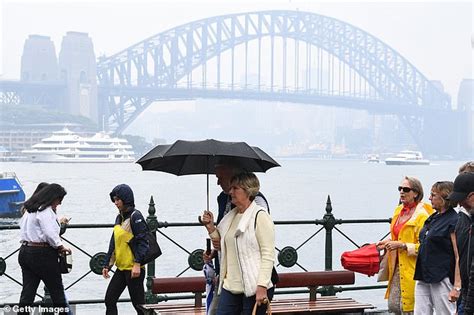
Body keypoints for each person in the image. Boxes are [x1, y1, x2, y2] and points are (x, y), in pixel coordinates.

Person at [201, 172, 275, 315]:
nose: (231, 192)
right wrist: (210, 226)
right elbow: (221, 241)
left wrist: (262, 286)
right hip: (230, 286)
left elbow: (268, 254)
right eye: (231, 188)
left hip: (253, 287)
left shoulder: (260, 216)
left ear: (247, 191)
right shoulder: (231, 215)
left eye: (235, 188)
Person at [377, 176, 433, 314]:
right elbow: (398, 235)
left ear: (416, 193)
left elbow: (426, 247)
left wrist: (402, 245)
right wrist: (387, 242)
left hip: (413, 268)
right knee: (394, 305)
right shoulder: (398, 211)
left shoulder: (422, 216)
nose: (401, 192)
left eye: (406, 189)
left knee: (410, 308)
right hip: (396, 266)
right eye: (400, 188)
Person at [18, 183, 70, 315]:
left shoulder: (30, 210)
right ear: (53, 197)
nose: (59, 203)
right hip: (42, 254)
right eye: (59, 200)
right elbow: (49, 233)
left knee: (27, 294)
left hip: (25, 251)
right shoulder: (44, 210)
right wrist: (60, 246)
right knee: (57, 291)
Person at [413, 181, 460, 314]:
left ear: (444, 198)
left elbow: (458, 255)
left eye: (433, 195)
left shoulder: (453, 220)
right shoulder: (433, 218)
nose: (429, 198)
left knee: (444, 312)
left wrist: (457, 286)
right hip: (423, 273)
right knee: (420, 311)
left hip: (441, 276)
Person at [102, 184, 148, 315]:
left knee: (139, 306)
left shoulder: (135, 216)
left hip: (134, 269)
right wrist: (107, 264)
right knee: (109, 300)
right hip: (121, 269)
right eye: (114, 200)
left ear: (126, 199)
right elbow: (114, 242)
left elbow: (143, 242)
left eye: (118, 199)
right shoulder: (119, 217)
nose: (115, 203)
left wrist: (137, 264)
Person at [448, 172, 474, 315]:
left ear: (472, 196)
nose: (459, 204)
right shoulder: (466, 221)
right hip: (466, 291)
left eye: (462, 199)